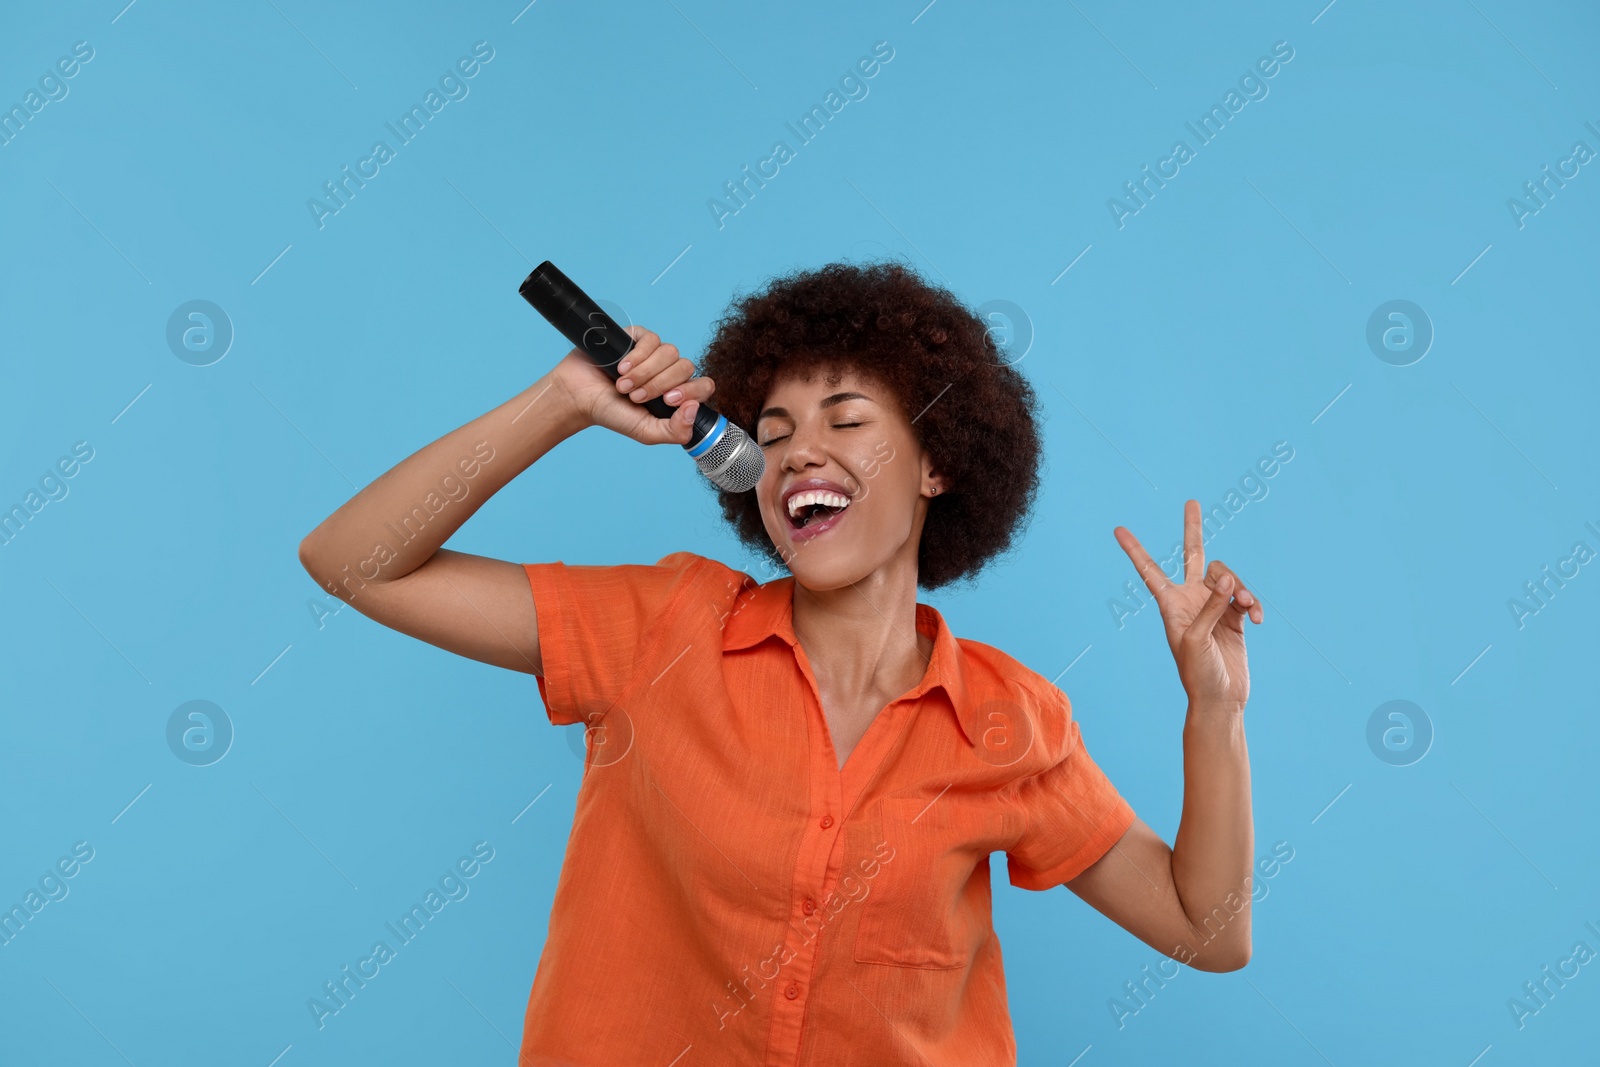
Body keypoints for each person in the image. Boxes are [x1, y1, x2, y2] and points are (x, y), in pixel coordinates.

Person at [298, 259, 1260, 1066]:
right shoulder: (662, 628)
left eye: (846, 421)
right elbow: (353, 562)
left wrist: (1214, 713)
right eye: (774, 432)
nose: (801, 452)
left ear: (937, 465)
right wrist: (563, 403)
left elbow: (1208, 931)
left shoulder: (1011, 719)